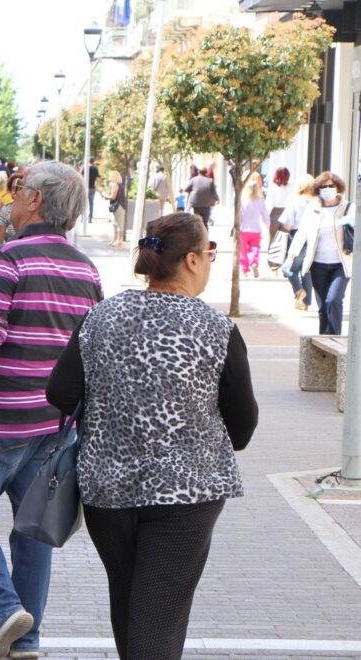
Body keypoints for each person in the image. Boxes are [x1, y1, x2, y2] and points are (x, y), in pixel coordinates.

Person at [47, 212, 257, 660]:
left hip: (108, 490)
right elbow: (243, 425)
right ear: (193, 260)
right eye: (211, 253)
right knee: (159, 612)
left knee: (130, 603)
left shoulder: (101, 317)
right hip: (187, 495)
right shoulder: (216, 329)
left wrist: (112, 418)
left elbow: (60, 391)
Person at [0, 162, 104, 660]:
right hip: (54, 426)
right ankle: (28, 641)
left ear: (36, 201)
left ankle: (3, 609)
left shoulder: (8, 261)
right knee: (32, 528)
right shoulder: (86, 270)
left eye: (17, 192)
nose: (9, 201)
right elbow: (90, 351)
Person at [284, 171, 354, 335]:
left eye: (331, 186)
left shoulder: (348, 208)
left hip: (341, 264)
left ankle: (334, 339)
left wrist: (352, 224)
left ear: (338, 187)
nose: (327, 189)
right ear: (317, 189)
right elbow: (302, 234)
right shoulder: (313, 209)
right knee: (323, 307)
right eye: (323, 186)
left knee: (334, 300)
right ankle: (324, 342)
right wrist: (291, 256)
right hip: (318, 264)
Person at [278, 174, 315, 310]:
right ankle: (306, 302)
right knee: (307, 269)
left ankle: (299, 290)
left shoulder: (296, 201)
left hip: (297, 237)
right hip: (313, 238)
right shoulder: (317, 202)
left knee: (290, 268)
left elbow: (287, 223)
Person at [239, 179, 269, 278]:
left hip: (243, 229)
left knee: (242, 250)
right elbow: (265, 214)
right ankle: (254, 262)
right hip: (256, 229)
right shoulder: (260, 201)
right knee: (255, 248)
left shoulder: (243, 201)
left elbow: (239, 215)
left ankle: (244, 269)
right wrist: (267, 224)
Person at [0, 173, 24, 251]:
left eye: (19, 188)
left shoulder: (35, 209)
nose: (15, 191)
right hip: (13, 254)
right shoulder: (6, 209)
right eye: (13, 188)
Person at [267, 166, 293, 244]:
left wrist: (266, 217)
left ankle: (271, 255)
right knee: (284, 239)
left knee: (272, 238)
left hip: (275, 212)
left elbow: (269, 203)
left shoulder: (273, 187)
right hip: (288, 212)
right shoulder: (292, 186)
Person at [104, 168, 128, 247]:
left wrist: (106, 196)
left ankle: (118, 240)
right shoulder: (120, 184)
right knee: (116, 223)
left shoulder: (115, 185)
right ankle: (115, 240)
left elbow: (113, 197)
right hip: (120, 205)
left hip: (118, 205)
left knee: (118, 224)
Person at [87, 157, 101, 222]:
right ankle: (90, 217)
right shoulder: (95, 168)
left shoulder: (85, 168)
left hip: (85, 187)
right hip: (92, 187)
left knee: (83, 203)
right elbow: (97, 179)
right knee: (91, 203)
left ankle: (82, 217)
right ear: (93, 162)